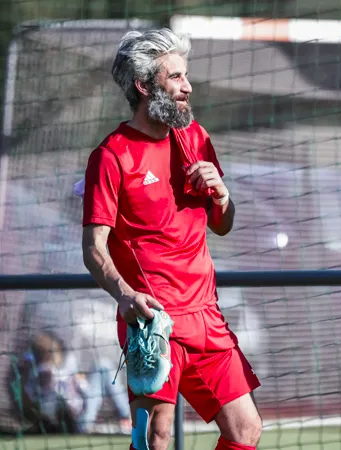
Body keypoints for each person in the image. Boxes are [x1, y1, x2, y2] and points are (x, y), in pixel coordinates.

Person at [81, 28, 262, 450]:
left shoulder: (195, 138)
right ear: (145, 86)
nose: (188, 86)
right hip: (154, 324)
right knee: (154, 438)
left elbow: (222, 225)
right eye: (176, 77)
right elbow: (93, 248)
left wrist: (222, 195)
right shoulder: (110, 156)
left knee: (245, 429)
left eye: (186, 75)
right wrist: (125, 295)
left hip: (207, 316)